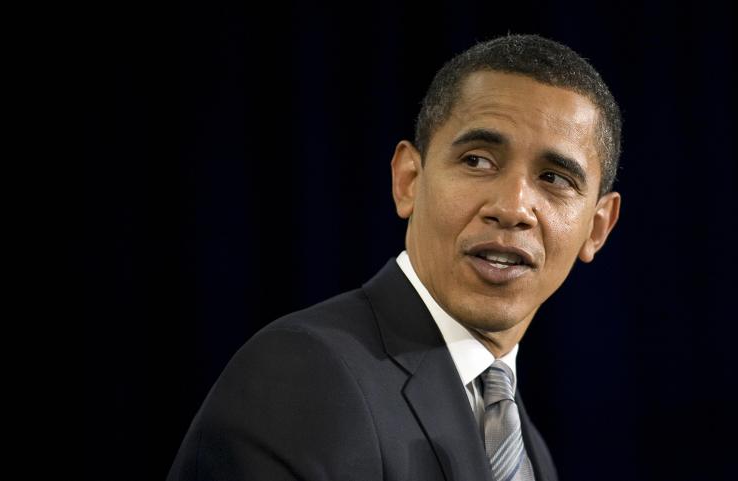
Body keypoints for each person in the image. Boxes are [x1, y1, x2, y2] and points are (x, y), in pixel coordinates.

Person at [168, 34, 622, 481]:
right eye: (478, 161)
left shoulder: (528, 449)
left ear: (597, 228)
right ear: (408, 180)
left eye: (553, 177)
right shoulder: (306, 374)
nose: (512, 208)